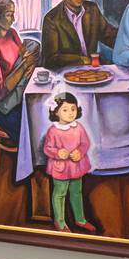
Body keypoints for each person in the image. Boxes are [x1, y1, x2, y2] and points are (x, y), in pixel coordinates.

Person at [0, 0, 39, 143]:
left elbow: (23, 55)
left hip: (21, 98)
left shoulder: (12, 34)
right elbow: (1, 91)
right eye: (9, 15)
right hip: (6, 110)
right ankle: (32, 165)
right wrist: (25, 65)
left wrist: (30, 65)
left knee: (46, 114)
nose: (13, 19)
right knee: (35, 131)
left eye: (13, 14)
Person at [39, 0, 118, 69]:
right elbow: (51, 59)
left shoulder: (92, 9)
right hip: (64, 73)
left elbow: (109, 35)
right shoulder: (51, 19)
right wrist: (81, 60)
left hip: (92, 69)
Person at [42, 92, 95, 233]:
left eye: (73, 109)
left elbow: (85, 143)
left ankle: (80, 219)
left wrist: (80, 152)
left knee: (76, 192)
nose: (70, 113)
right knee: (60, 193)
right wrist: (57, 153)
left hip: (76, 166)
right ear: (56, 112)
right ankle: (59, 222)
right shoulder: (53, 131)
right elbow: (47, 148)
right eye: (65, 110)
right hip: (60, 168)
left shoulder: (78, 127)